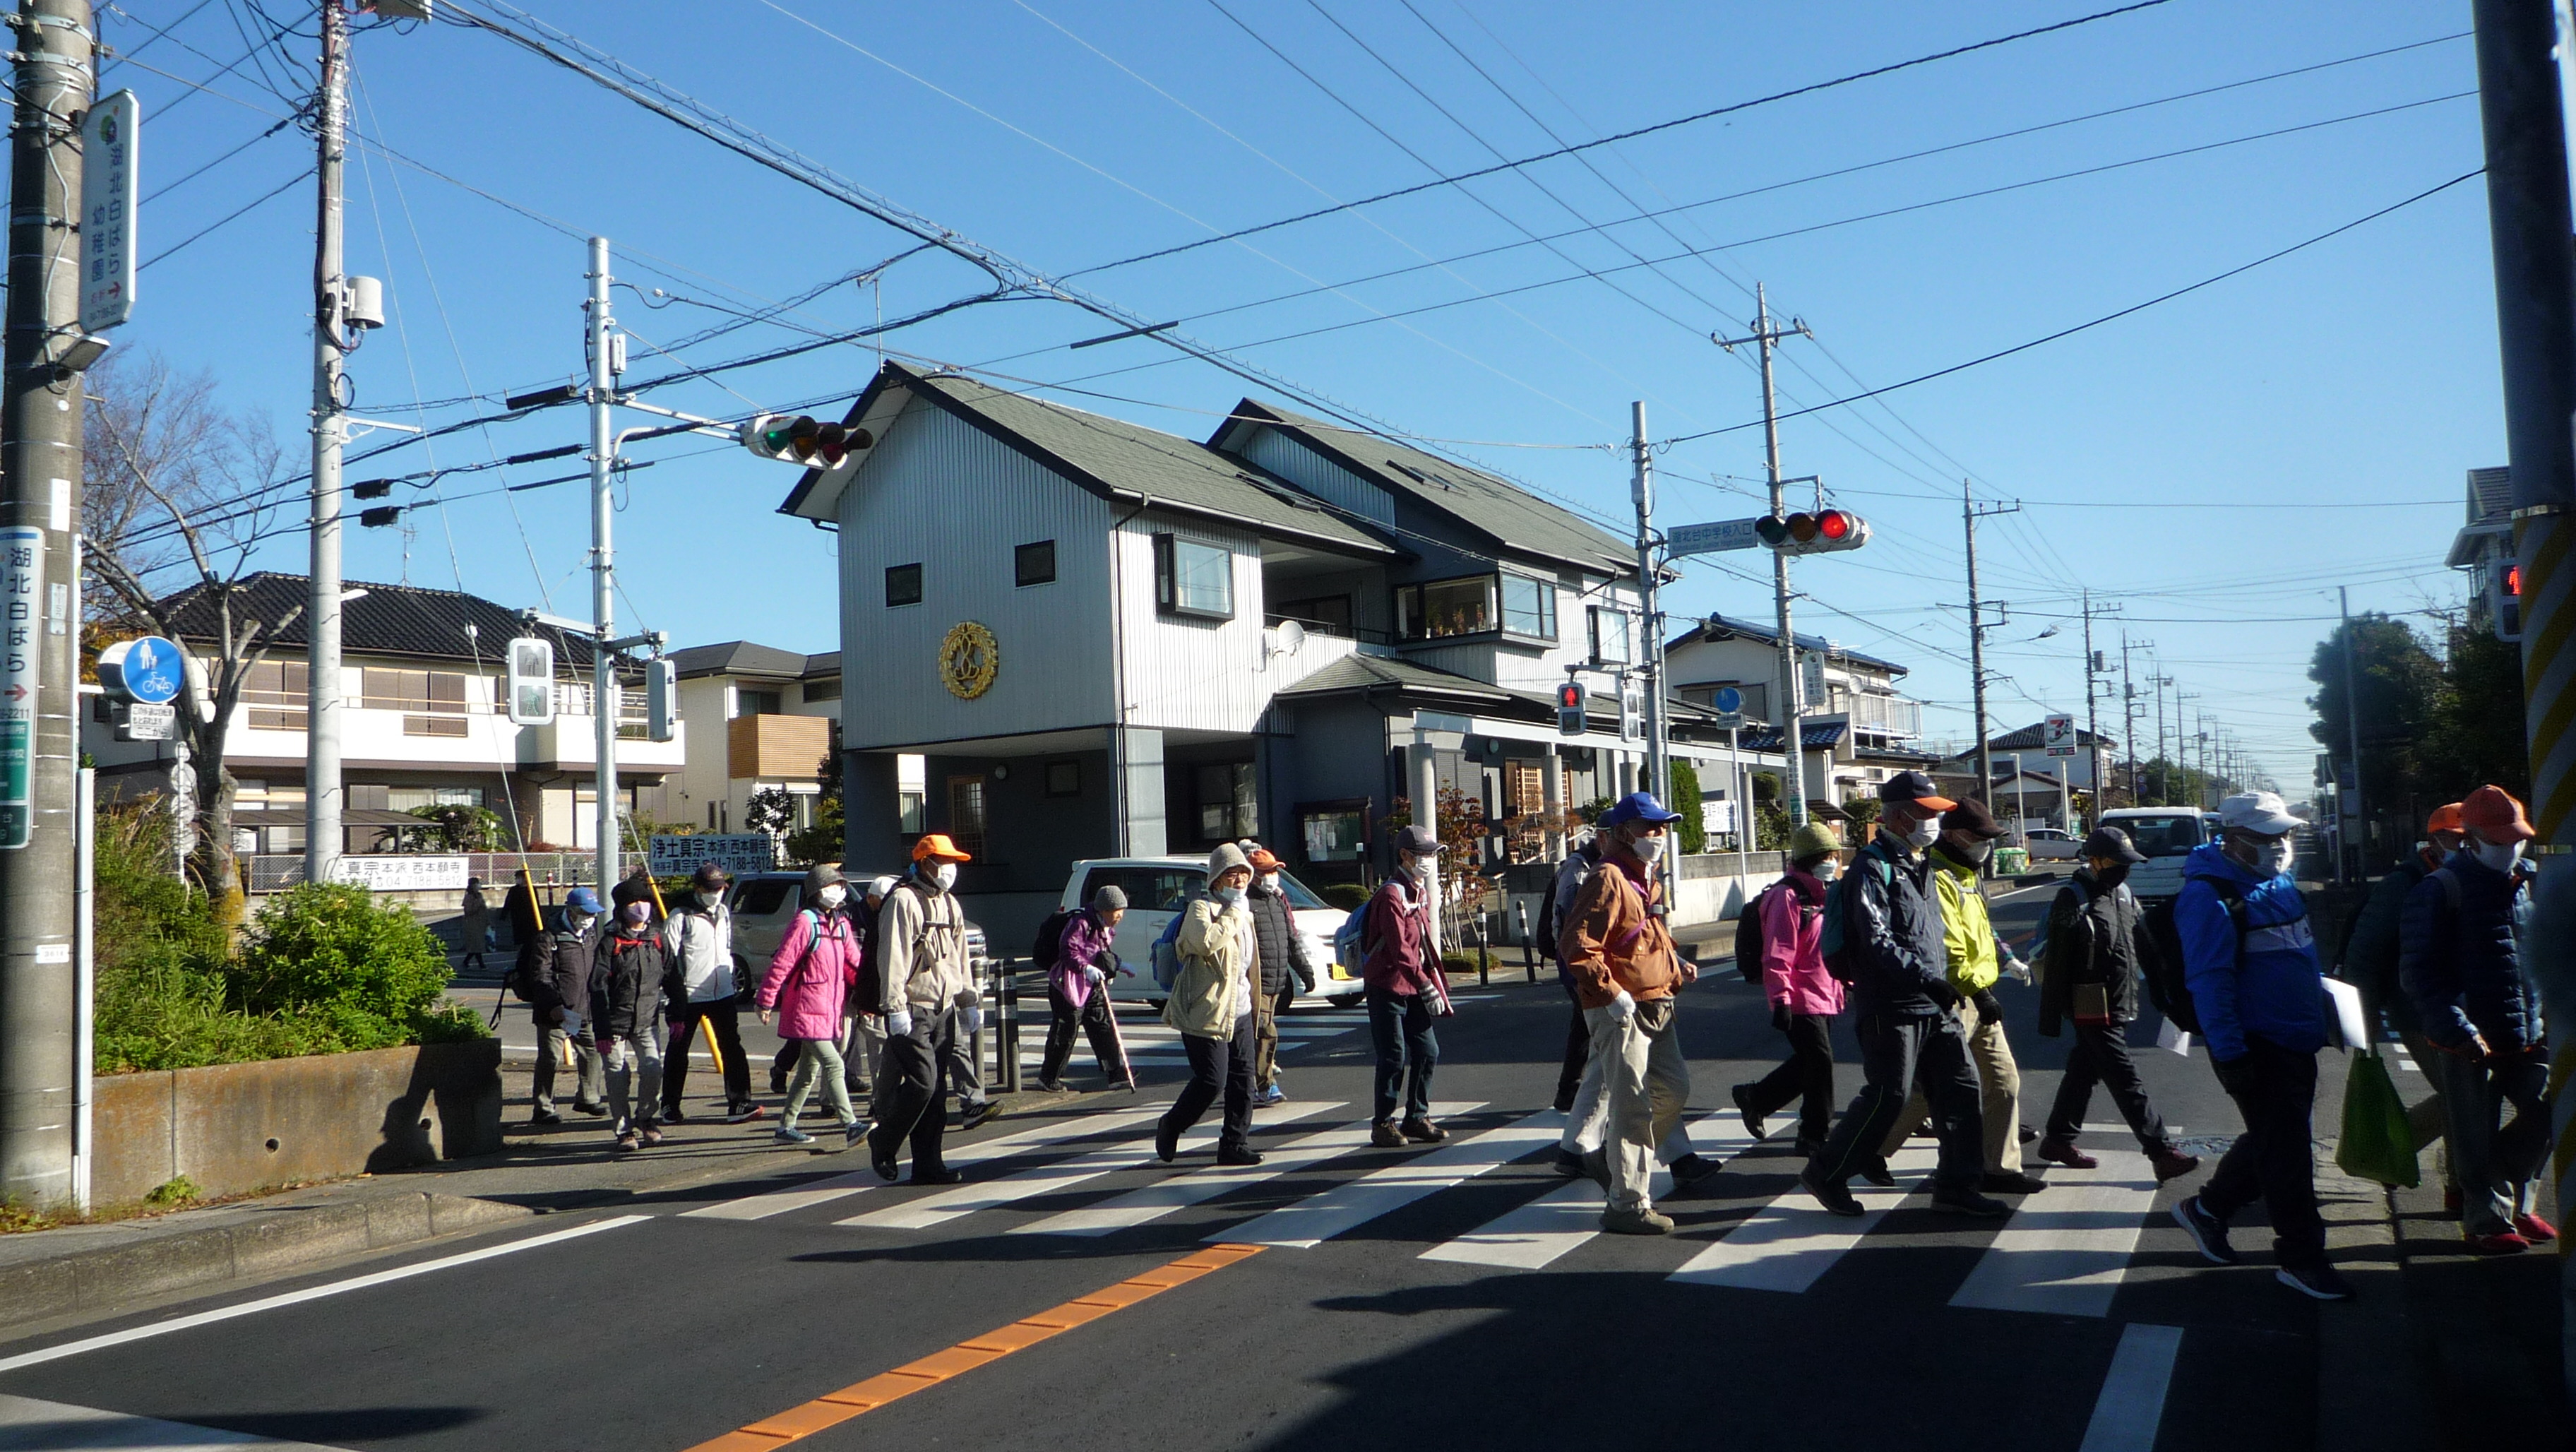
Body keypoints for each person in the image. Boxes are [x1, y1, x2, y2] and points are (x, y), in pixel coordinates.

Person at [2168, 790, 2351, 1301]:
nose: (2282, 844)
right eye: (2268, 837)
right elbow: (2210, 983)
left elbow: (2295, 958)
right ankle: (2301, 1258)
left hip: (2298, 1038)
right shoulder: (2208, 896)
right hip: (2258, 1044)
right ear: (2233, 838)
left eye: (2285, 833)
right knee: (2288, 1155)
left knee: (2276, 1139)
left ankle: (2206, 1210)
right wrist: (2230, 1056)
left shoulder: (2280, 882)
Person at [1801, 771, 2008, 1219]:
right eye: (1925, 814)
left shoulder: (1922, 863)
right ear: (1897, 817)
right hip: (1890, 1005)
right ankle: (1826, 1172)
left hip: (1935, 1003)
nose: (1933, 823)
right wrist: (1924, 977)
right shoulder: (1871, 868)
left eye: (1936, 814)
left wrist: (1945, 982)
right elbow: (1875, 940)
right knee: (1887, 1095)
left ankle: (1957, 1185)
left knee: (1962, 1090)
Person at [2399, 784, 2556, 1253]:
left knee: (2550, 1113)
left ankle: (2513, 1202)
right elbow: (2419, 974)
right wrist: (2458, 1028)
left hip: (2529, 1030)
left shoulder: (2528, 881)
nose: (2510, 848)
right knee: (2472, 1133)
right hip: (2467, 1039)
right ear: (2468, 838)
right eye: (2499, 840)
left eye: (2517, 838)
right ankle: (2488, 1220)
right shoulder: (2439, 889)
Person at [1871, 798, 2045, 1197]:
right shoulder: (1936, 877)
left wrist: (2005, 962)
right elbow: (1946, 947)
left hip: (1977, 995)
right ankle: (1869, 1149)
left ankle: (1999, 1168)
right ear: (1955, 835)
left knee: (2003, 1082)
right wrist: (1980, 993)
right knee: (1929, 1091)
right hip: (1952, 996)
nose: (1987, 845)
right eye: (1980, 838)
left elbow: (1982, 934)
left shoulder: (1968, 876)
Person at [1560, 792, 1707, 1235]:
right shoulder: (1608, 877)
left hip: (1656, 999)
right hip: (1622, 1008)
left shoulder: (1644, 876)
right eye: (1650, 827)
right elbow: (1577, 946)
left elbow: (1645, 934)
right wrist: (1611, 993)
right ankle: (1627, 1202)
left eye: (1663, 826)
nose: (1659, 835)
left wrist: (1674, 964)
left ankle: (1618, 1162)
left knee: (1673, 1089)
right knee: (1631, 1104)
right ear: (1624, 832)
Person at [2034, 827, 2199, 1180]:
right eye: (2116, 863)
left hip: (2121, 998)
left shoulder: (2122, 894)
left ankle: (2058, 1140)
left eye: (2127, 864)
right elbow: (2057, 960)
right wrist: (2058, 1012)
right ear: (2094, 862)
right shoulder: (2072, 897)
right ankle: (2160, 1150)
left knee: (2083, 1070)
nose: (2124, 870)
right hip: (2089, 1002)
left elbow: (2140, 945)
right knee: (2125, 1077)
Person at [2339, 802, 2464, 1202]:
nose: (2465, 845)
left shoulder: (2479, 878)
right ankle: (2462, 1190)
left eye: (2471, 838)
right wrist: (2364, 1013)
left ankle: (2396, 1154)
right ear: (2434, 840)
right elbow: (2365, 950)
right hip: (2416, 1010)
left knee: (2463, 1098)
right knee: (2461, 1098)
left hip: (2468, 1010)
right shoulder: (2406, 881)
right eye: (2455, 838)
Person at [871, 836, 979, 1184]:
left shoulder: (950, 904)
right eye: (943, 861)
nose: (950, 869)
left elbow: (960, 957)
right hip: (912, 1006)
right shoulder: (904, 900)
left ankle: (928, 1164)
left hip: (943, 1007)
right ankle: (883, 1140)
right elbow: (893, 956)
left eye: (953, 862)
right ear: (925, 862)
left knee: (937, 1092)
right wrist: (894, 1006)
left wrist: (968, 1000)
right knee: (923, 1083)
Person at [1733, 822, 1845, 1154]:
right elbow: (1777, 954)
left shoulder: (1827, 893)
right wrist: (1780, 999)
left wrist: (1847, 982)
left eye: (1835, 855)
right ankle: (1814, 1133)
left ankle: (1756, 1098)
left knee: (1810, 1062)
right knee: (1820, 1063)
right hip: (1798, 996)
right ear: (1811, 858)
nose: (1833, 862)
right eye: (1827, 856)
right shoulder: (1787, 896)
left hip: (1826, 992)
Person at [1155, 844, 1264, 1166]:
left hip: (1240, 1008)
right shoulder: (1202, 909)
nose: (1240, 881)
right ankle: (1173, 1123)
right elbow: (1206, 942)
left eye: (1244, 875)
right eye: (1232, 875)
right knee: (1211, 1080)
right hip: (1206, 1010)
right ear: (1216, 880)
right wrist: (1234, 912)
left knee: (1244, 1080)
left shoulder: (1245, 912)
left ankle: (1233, 1143)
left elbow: (1249, 962)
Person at [757, 863, 868, 1150]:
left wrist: (871, 993)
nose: (839, 890)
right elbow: (782, 962)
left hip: (829, 1010)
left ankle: (786, 1126)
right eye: (833, 885)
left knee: (808, 1072)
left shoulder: (841, 925)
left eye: (841, 886)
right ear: (817, 891)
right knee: (833, 1063)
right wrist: (766, 999)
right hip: (806, 1009)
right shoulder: (805, 922)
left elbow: (855, 963)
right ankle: (851, 1124)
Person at [1362, 826, 1447, 1150]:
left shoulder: (1419, 891)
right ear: (1405, 856)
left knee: (1428, 1050)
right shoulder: (1391, 895)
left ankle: (1416, 1117)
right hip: (1385, 985)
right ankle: (1383, 1123)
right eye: (1424, 854)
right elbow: (1400, 950)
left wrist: (1431, 981)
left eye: (1431, 854)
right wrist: (1426, 985)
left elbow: (1421, 943)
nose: (1429, 860)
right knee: (1393, 1056)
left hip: (1413, 985)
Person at [662, 863, 760, 1125]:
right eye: (711, 889)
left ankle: (739, 1103)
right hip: (689, 995)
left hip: (723, 992)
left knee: (733, 1047)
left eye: (720, 888)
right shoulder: (680, 916)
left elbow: (726, 948)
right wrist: (675, 996)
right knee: (678, 1050)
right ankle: (670, 1105)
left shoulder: (724, 912)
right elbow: (668, 960)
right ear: (698, 889)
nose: (717, 893)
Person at [590, 898, 682, 1151]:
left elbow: (674, 978)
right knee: (617, 1076)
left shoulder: (657, 939)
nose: (641, 907)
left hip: (647, 1020)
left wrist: (677, 1015)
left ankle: (646, 1118)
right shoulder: (611, 942)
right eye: (634, 902)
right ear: (622, 909)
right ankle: (624, 1130)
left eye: (644, 901)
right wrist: (602, 1030)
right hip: (614, 1023)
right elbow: (598, 987)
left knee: (652, 1070)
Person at [1039, 885, 1134, 1091]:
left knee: (1102, 1026)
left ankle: (1115, 1073)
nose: (1121, 916)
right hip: (1067, 985)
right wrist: (1086, 968)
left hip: (1091, 985)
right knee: (1065, 1031)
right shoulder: (1081, 922)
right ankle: (1049, 1077)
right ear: (1105, 910)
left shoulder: (1103, 926)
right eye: (1118, 911)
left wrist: (1119, 965)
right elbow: (1068, 950)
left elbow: (1101, 953)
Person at [527, 886, 606, 1124]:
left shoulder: (590, 935)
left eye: (593, 914)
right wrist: (554, 1005)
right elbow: (541, 975)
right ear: (571, 911)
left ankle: (588, 1098)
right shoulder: (549, 937)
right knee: (550, 1059)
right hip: (555, 1012)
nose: (590, 919)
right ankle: (543, 1108)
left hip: (584, 1008)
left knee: (593, 1052)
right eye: (585, 913)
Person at [1245, 846, 1317, 1105]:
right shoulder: (1245, 904)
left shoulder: (1276, 900)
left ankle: (1250, 1084)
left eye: (1275, 871)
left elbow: (1291, 940)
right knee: (1265, 1032)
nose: (1272, 876)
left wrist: (1305, 971)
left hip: (1277, 982)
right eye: (1267, 872)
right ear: (1253, 875)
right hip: (1255, 983)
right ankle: (1264, 1086)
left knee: (1261, 1034)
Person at [1543, 828, 1606, 1114]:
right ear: (1603, 838)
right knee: (1596, 1023)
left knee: (1584, 1024)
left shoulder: (1602, 865)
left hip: (1584, 957)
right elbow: (1568, 916)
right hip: (1576, 957)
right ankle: (1578, 1093)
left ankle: (1568, 1091)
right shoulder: (1579, 867)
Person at [458, 878, 491, 976]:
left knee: (477, 945)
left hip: (481, 923)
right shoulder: (469, 897)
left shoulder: (480, 895)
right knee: (476, 944)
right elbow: (468, 911)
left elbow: (484, 910)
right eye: (477, 884)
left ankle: (466, 961)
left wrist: (488, 921)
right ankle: (481, 965)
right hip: (472, 924)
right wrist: (478, 904)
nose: (479, 886)